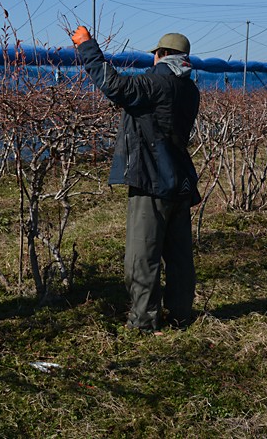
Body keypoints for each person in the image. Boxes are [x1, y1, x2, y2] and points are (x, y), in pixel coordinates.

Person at [71, 27, 201, 332]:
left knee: (141, 257)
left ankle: (143, 321)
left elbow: (114, 86)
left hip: (153, 180)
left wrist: (88, 47)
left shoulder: (159, 81)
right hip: (179, 180)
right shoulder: (189, 88)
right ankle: (181, 315)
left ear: (162, 55)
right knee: (180, 255)